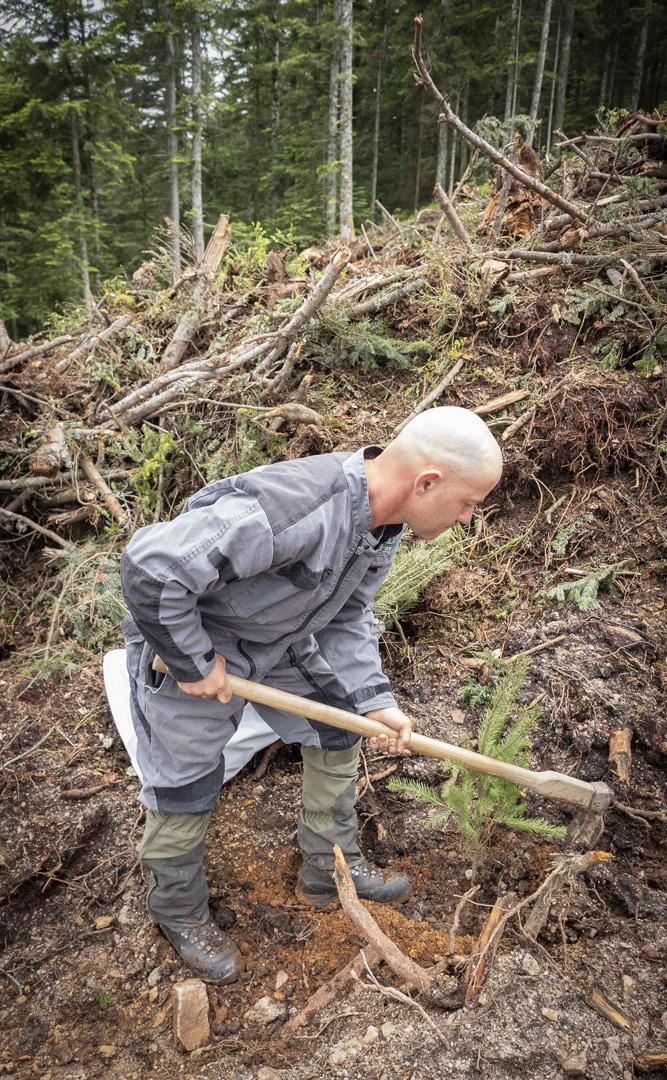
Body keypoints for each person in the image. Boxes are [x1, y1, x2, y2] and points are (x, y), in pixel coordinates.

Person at [120, 405, 503, 983]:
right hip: (188, 643)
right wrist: (194, 661)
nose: (469, 518)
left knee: (341, 727)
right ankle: (177, 909)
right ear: (427, 482)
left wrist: (374, 699)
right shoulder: (293, 508)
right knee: (186, 782)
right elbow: (153, 571)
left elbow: (348, 617)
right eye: (468, 503)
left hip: (278, 640)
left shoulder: (380, 526)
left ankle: (328, 867)